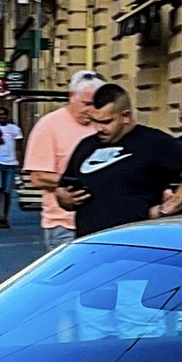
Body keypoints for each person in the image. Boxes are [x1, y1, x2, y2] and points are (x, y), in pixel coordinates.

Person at [51, 83, 182, 237]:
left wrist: (165, 210)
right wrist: (63, 198)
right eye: (95, 121)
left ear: (126, 116)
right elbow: (64, 189)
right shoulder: (86, 146)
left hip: (134, 244)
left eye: (107, 122)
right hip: (92, 245)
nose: (99, 128)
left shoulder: (152, 142)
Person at [25, 70, 106, 252]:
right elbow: (37, 177)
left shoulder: (103, 124)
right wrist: (78, 181)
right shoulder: (49, 126)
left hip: (103, 221)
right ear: (71, 97)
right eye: (86, 104)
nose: (91, 110)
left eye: (96, 104)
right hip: (65, 224)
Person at [0, 105, 24, 228]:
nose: (1, 117)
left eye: (3, 115)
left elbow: (18, 147)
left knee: (7, 192)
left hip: (11, 164)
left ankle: (5, 217)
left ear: (7, 116)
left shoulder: (15, 129)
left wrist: (20, 163)